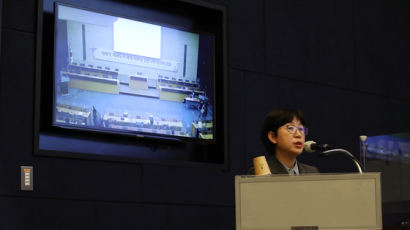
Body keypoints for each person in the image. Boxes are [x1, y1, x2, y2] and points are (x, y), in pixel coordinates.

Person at [250, 108, 319, 175]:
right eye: (290, 128)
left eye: (301, 129)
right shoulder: (261, 173)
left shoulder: (312, 172)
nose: (298, 135)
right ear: (273, 137)